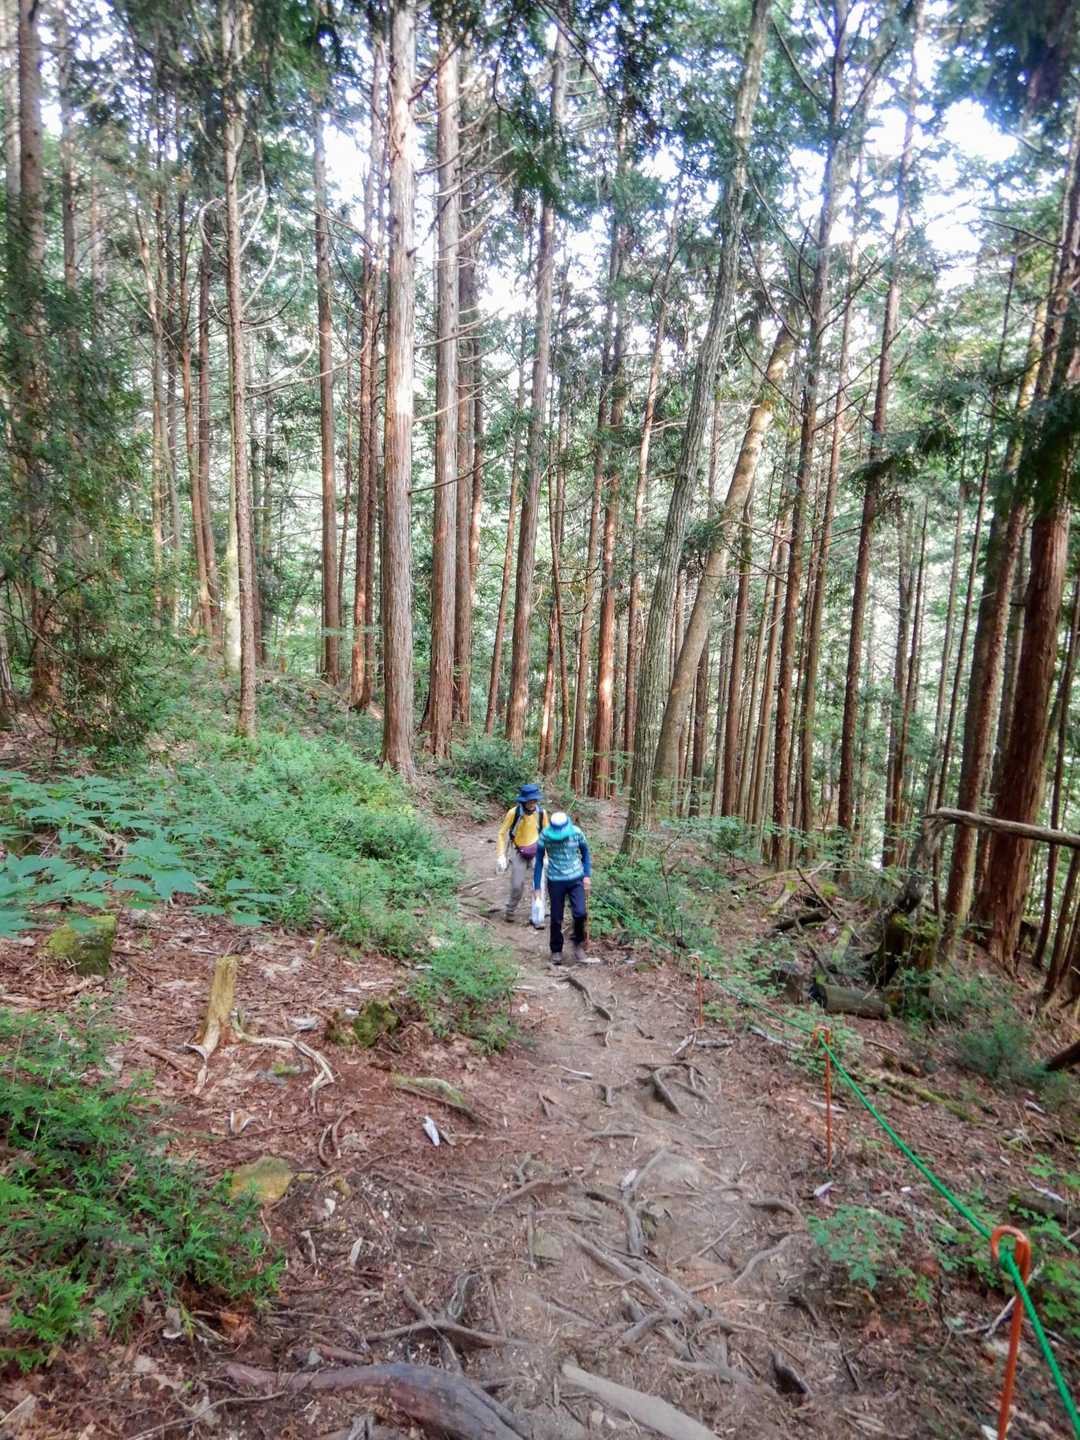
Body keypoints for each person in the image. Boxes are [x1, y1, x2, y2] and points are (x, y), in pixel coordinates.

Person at [533, 810, 598, 965]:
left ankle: (578, 944)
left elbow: (585, 853)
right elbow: (539, 861)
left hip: (576, 878)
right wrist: (537, 887)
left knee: (580, 913)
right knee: (556, 918)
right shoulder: (545, 836)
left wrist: (587, 875)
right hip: (555, 880)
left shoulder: (576, 833)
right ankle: (556, 950)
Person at [495, 783, 547, 924]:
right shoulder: (514, 813)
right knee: (517, 884)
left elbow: (546, 834)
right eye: (530, 801)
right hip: (519, 851)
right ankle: (510, 910)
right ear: (523, 801)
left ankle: (538, 914)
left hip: (537, 850)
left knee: (540, 884)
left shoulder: (541, 813)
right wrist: (501, 855)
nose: (533, 804)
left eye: (535, 801)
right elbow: (501, 833)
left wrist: (546, 855)